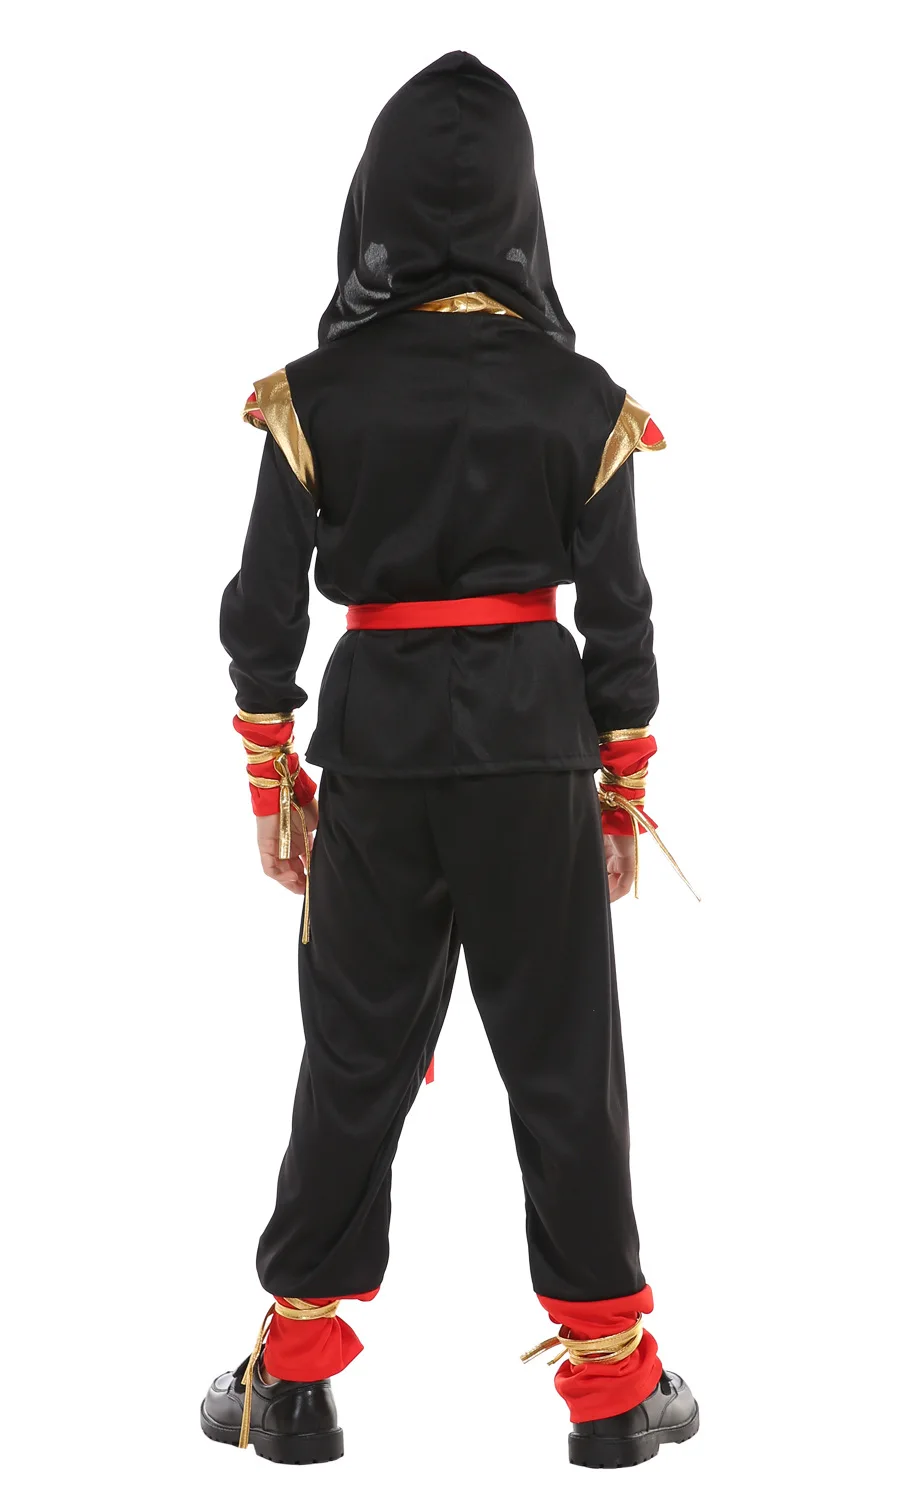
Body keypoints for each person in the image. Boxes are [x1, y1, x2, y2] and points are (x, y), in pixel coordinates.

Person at [202, 50, 698, 1470]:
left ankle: (292, 1382)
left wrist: (273, 779)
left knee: (352, 1055)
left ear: (377, 200)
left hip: (380, 753)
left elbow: (261, 617)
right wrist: (622, 792)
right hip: (534, 756)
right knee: (564, 1061)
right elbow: (621, 623)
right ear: (520, 209)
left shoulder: (314, 395)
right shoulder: (581, 399)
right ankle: (612, 1392)